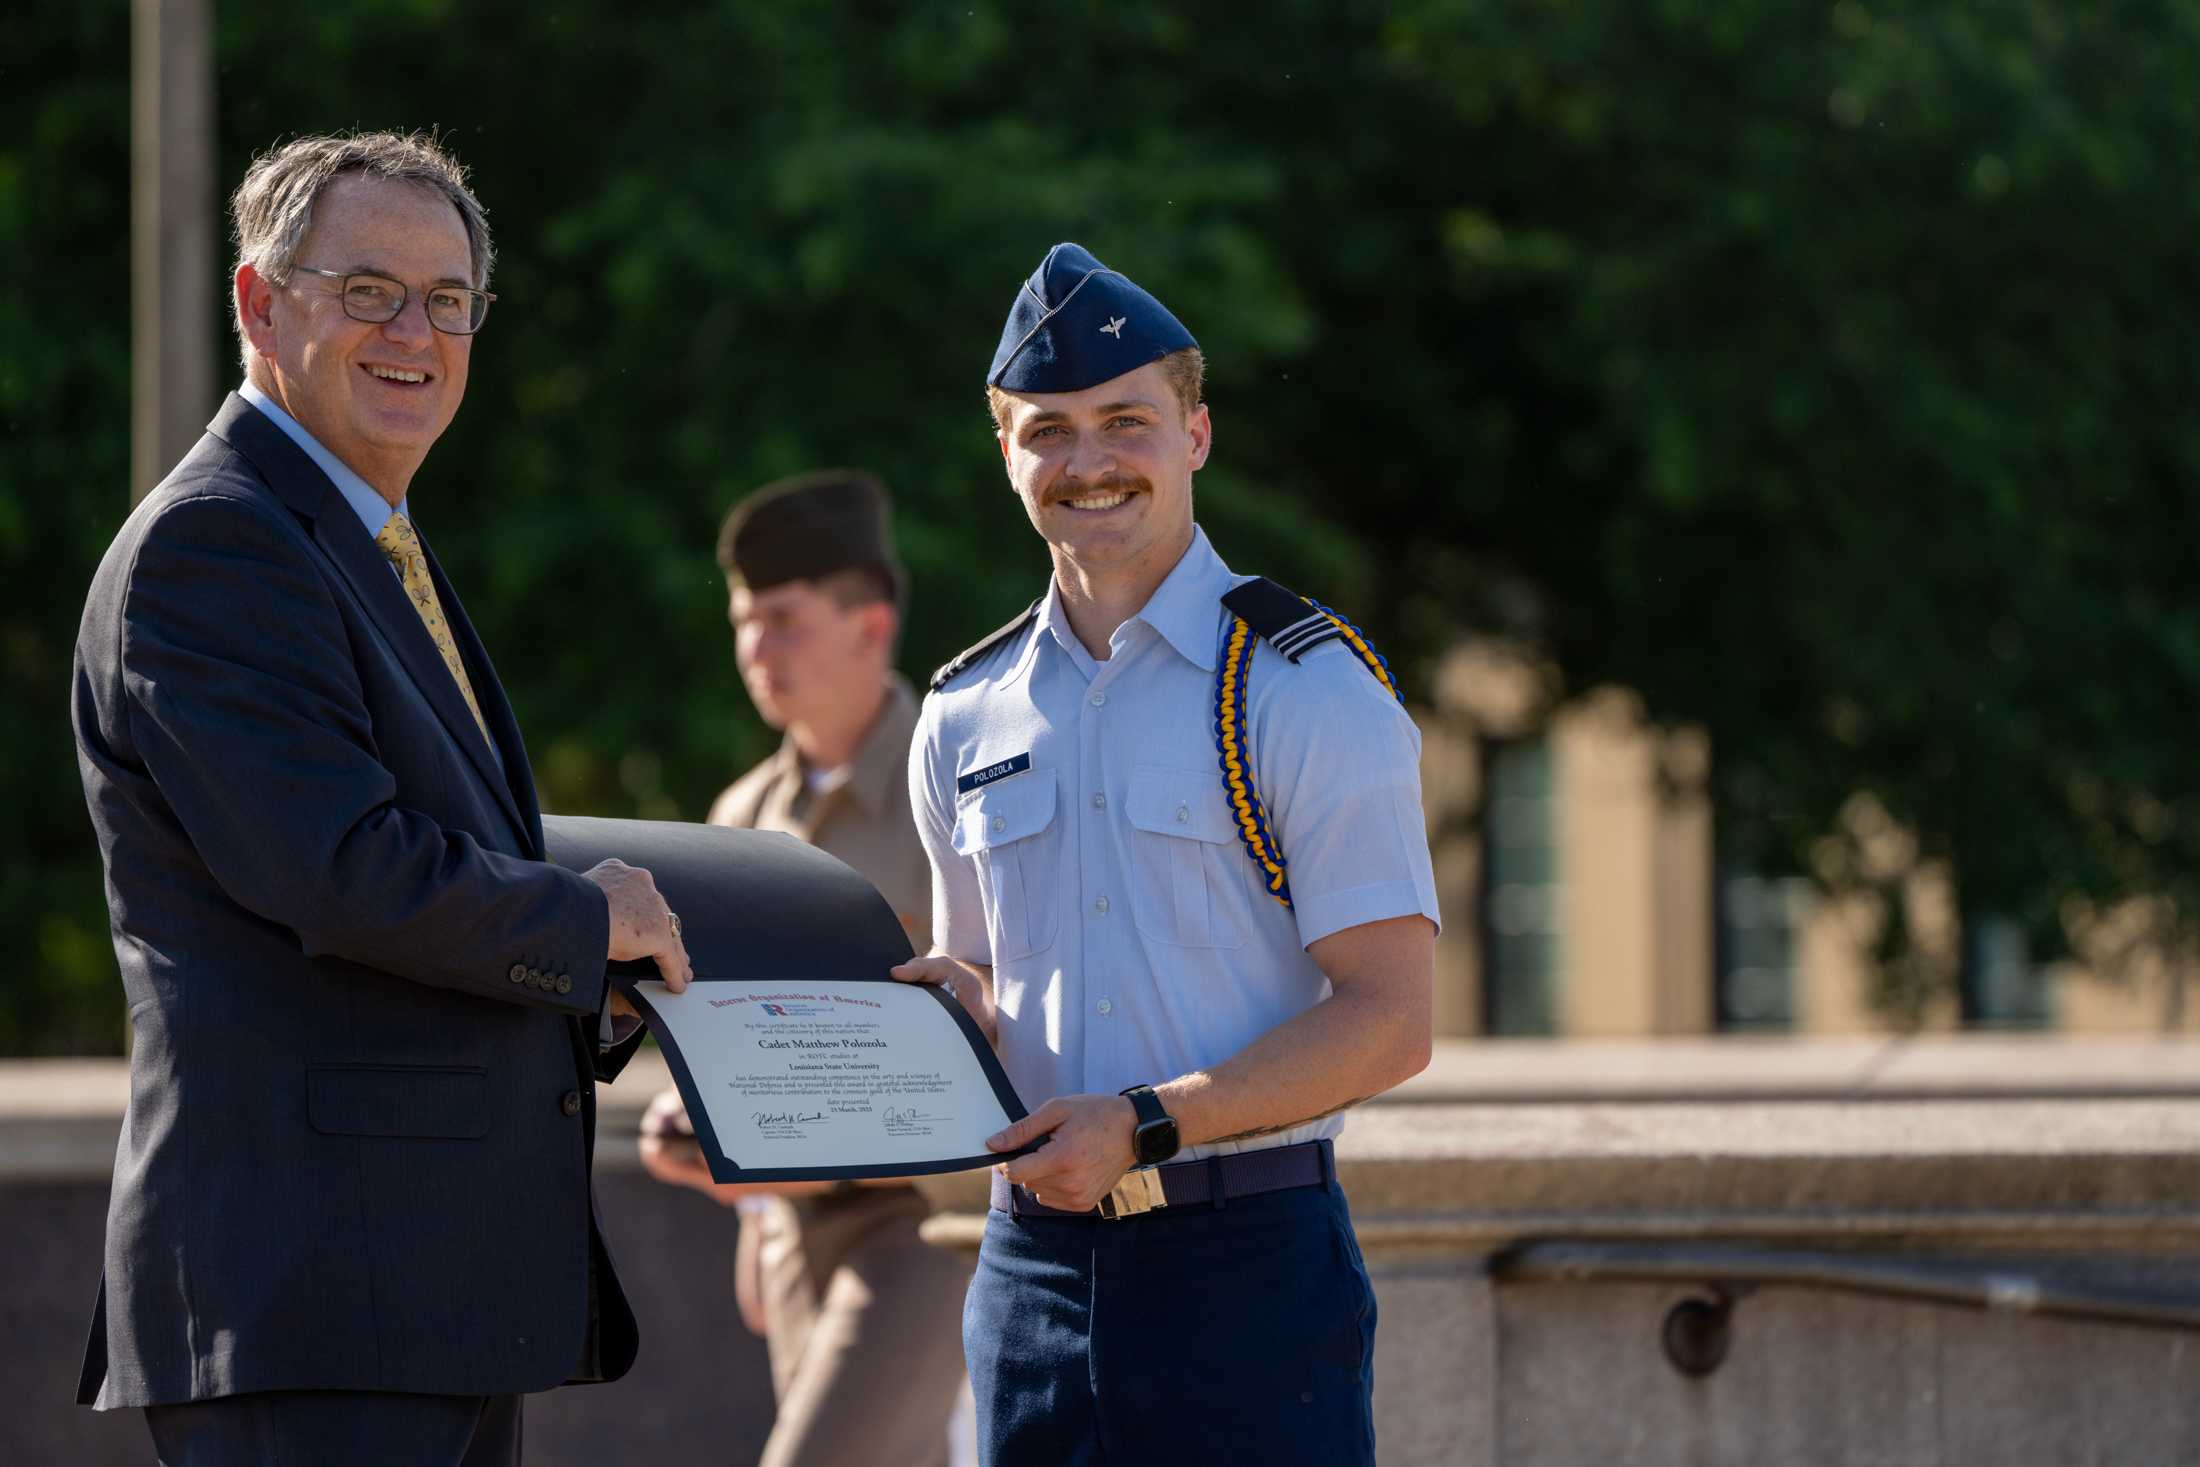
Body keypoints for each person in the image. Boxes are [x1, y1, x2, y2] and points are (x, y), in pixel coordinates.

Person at [69, 131, 691, 1466]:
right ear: (258, 303)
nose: (416, 329)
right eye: (368, 289)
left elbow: (415, 876)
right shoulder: (217, 539)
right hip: (313, 1295)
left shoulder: (359, 538)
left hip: (414, 1297)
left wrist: (604, 981)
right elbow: (336, 866)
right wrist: (582, 930)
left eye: (450, 299)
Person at [891, 243, 1440, 1467]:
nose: (1087, 462)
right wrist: (933, 1015)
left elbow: (1392, 1021)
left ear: (1195, 434)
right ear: (1004, 452)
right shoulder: (960, 711)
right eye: (1048, 430)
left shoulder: (1303, 689)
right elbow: (979, 980)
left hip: (1243, 1268)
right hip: (1027, 1270)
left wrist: (1147, 1122)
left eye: (1125, 421)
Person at [637, 471, 970, 1467]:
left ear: (870, 625)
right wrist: (714, 1155)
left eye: (782, 620)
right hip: (791, 1230)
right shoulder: (742, 816)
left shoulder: (957, 785)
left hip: (932, 1220)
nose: (754, 650)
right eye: (744, 622)